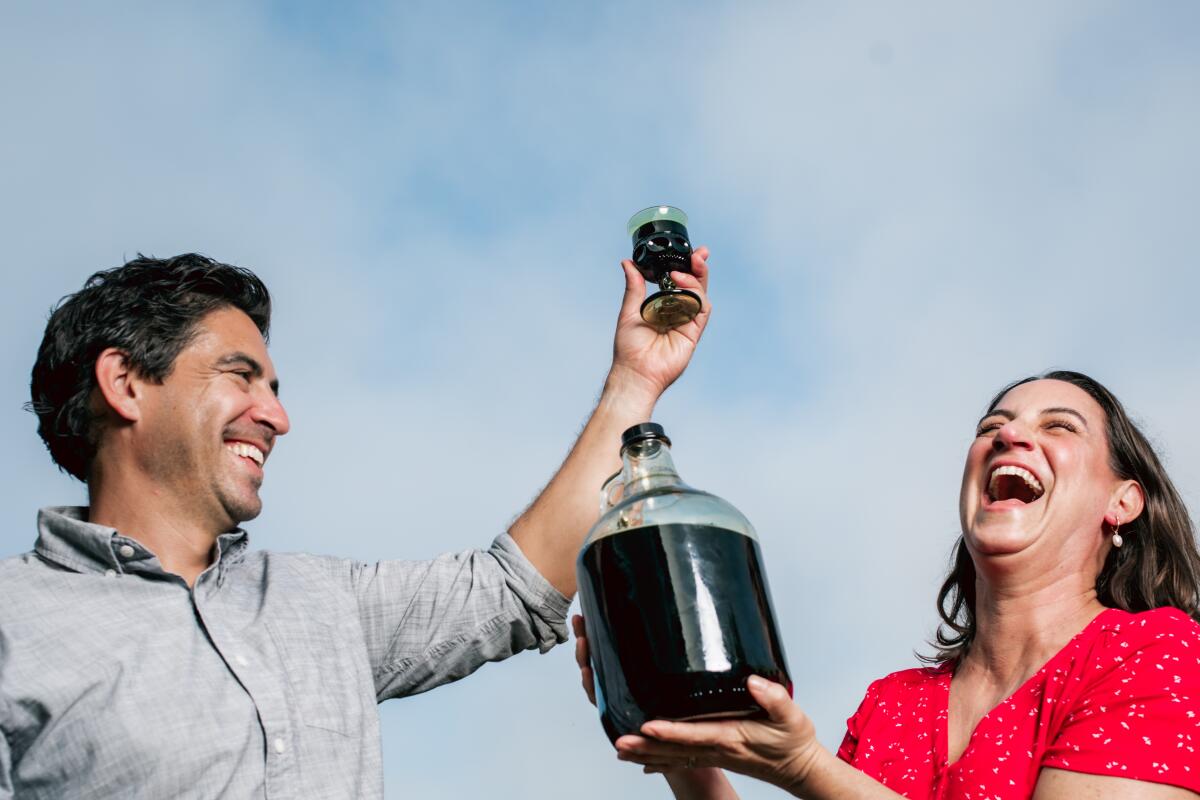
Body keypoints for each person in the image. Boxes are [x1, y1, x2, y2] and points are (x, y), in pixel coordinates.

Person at [0, 247, 711, 799]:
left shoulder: (321, 602)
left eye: (274, 390)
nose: (277, 416)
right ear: (125, 384)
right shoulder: (14, 624)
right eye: (240, 375)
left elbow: (511, 589)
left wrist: (634, 383)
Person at [574, 370, 1200, 799]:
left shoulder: (1158, 652)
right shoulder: (893, 705)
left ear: (1123, 501)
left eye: (1059, 426)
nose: (1009, 435)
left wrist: (805, 768)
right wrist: (691, 757)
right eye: (991, 426)